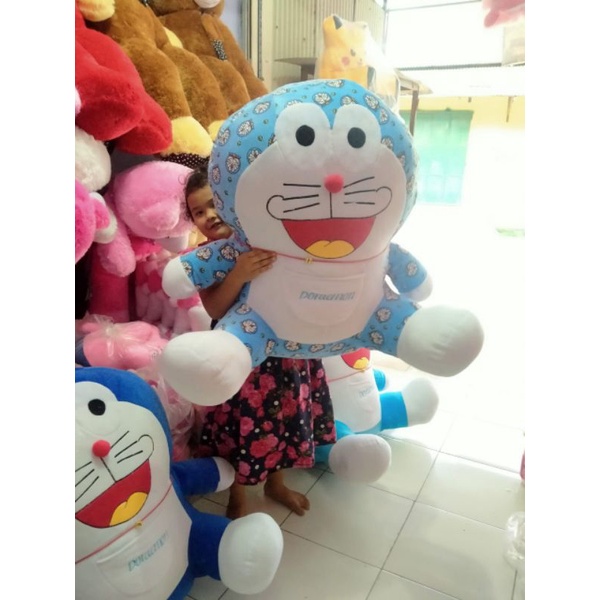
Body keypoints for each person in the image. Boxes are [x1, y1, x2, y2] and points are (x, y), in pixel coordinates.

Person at [183, 167, 337, 519]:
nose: (209, 215)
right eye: (198, 212)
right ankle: (237, 494)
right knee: (241, 425)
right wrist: (239, 273)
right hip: (240, 358)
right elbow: (215, 308)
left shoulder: (269, 237)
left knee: (282, 419)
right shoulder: (205, 257)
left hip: (286, 351)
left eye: (214, 204)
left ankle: (275, 484)